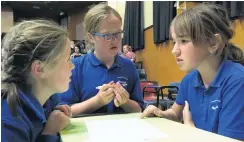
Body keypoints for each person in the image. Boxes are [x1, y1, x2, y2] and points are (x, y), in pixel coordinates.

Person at [141, 4, 244, 140]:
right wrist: (162, 114)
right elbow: (176, 113)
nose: (174, 51)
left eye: (183, 41)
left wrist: (190, 131)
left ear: (213, 43)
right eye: (174, 42)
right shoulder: (189, 80)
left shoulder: (237, 80)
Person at [57, 3, 144, 116]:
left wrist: (125, 102)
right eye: (107, 35)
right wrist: (97, 101)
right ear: (91, 37)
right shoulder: (75, 67)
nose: (115, 40)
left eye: (118, 34)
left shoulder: (129, 67)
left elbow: (139, 109)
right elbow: (66, 111)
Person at [1, 20, 74, 142]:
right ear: (39, 69)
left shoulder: (48, 99)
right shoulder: (8, 123)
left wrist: (55, 115)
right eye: (67, 59)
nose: (73, 66)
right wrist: (50, 132)